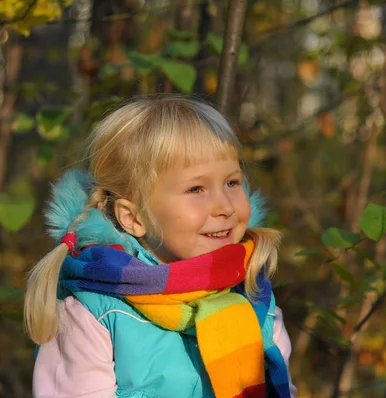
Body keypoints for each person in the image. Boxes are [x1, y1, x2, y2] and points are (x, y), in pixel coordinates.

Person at [23, 96, 297, 398]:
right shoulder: (92, 315)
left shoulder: (253, 296)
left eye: (232, 183)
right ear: (134, 217)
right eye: (196, 189)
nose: (225, 207)